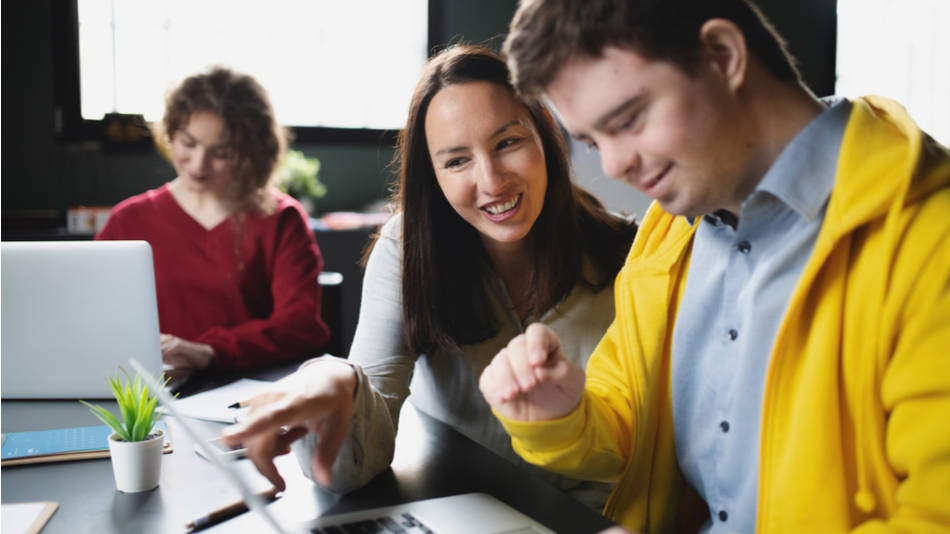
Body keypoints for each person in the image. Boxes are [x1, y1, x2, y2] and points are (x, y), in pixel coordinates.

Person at [478, 0, 950, 532]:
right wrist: (558, 413)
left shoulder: (932, 237)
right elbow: (635, 420)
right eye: (590, 141)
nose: (612, 165)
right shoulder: (668, 231)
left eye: (628, 120)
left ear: (723, 56)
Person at [220, 44, 638, 510]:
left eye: (507, 143)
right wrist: (336, 380)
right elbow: (351, 466)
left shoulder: (631, 253)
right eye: (457, 160)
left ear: (545, 135)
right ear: (433, 176)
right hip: (469, 515)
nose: (492, 180)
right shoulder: (407, 249)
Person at [97, 67, 330, 377]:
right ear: (171, 134)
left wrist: (209, 352)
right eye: (188, 143)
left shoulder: (280, 218)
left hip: (249, 391)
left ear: (250, 153)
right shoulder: (128, 220)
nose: (199, 164)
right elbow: (92, 316)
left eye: (221, 152)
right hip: (147, 391)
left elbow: (300, 327)